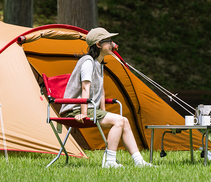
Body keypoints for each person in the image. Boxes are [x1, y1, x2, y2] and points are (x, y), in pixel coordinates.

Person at [60, 27, 152, 168]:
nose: (113, 45)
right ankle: (109, 162)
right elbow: (85, 88)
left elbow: (101, 90)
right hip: (76, 109)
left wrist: (104, 111)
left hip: (90, 108)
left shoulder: (99, 63)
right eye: (108, 41)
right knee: (120, 121)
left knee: (124, 121)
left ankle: (139, 161)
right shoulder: (88, 62)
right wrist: (84, 113)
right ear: (98, 44)